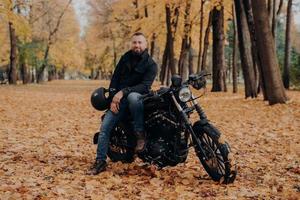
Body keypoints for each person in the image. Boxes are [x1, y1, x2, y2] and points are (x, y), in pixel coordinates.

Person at [88, 32, 158, 175]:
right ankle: (100, 161)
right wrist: (113, 98)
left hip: (137, 100)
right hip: (118, 102)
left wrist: (123, 92)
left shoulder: (151, 65)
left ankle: (140, 134)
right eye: (134, 42)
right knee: (104, 130)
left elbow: (145, 86)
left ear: (145, 45)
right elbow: (114, 80)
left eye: (140, 42)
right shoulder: (125, 58)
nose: (137, 45)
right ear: (131, 44)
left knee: (133, 96)